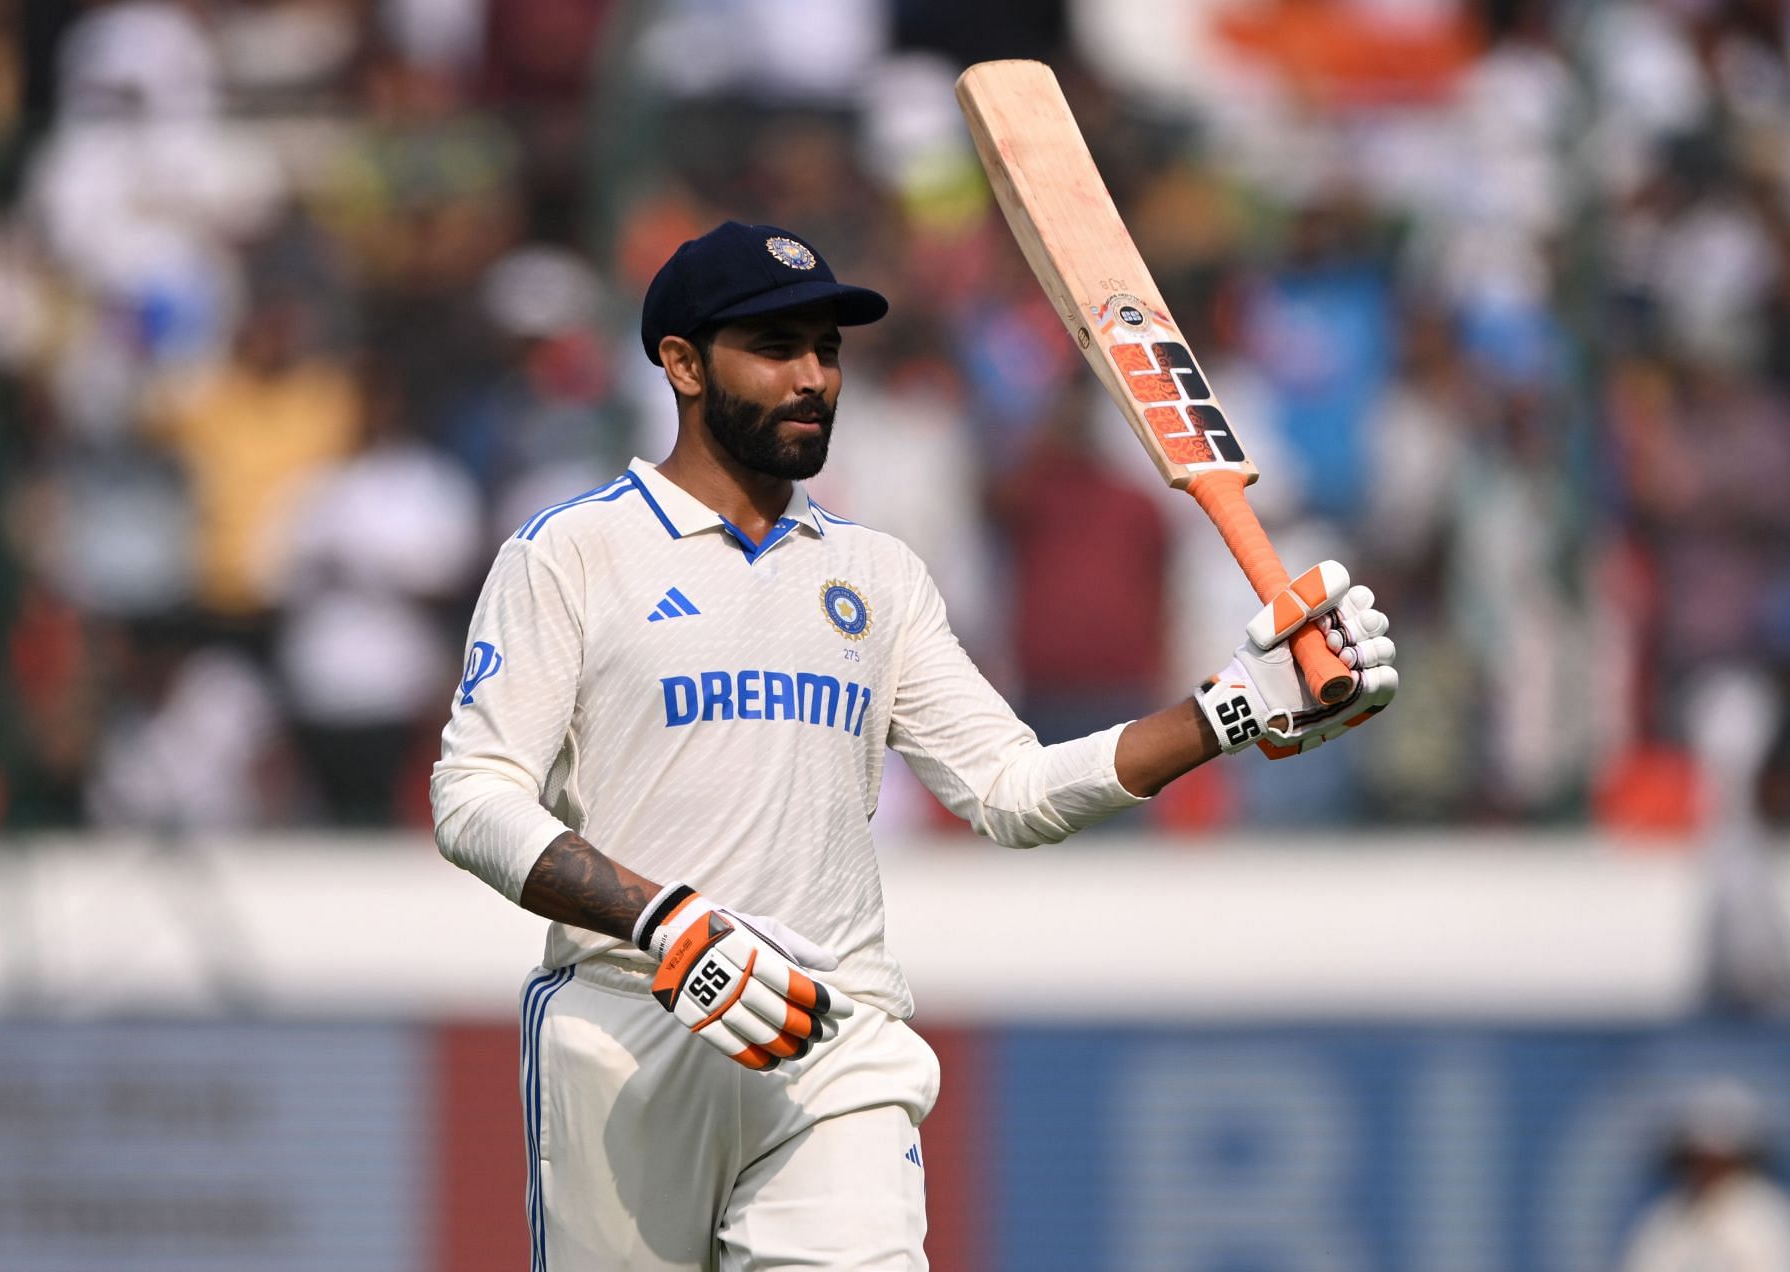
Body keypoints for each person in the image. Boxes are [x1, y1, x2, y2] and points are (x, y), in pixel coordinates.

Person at [429, 220, 1398, 1270]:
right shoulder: (571, 553)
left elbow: (1012, 788)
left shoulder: (876, 575)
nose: (813, 378)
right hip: (630, 1023)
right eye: (775, 347)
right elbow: (474, 799)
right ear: (682, 363)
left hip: (833, 1037)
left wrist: (1232, 711)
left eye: (828, 350)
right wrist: (665, 923)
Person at [1621, 1079, 1790, 1272]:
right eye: (1700, 1158)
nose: (1708, 1169)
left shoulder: (1770, 1217)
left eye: (1720, 1160)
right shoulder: (1664, 1219)